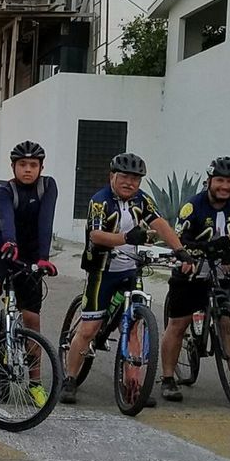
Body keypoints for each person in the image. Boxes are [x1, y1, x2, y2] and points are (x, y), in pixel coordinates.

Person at [61, 152, 185, 405]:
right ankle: (70, 379)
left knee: (133, 328)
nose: (130, 183)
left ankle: (134, 387)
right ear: (112, 177)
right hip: (102, 271)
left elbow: (159, 223)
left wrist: (180, 250)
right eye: (124, 177)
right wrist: (126, 238)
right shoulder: (100, 201)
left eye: (135, 179)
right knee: (89, 329)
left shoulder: (142, 199)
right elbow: (96, 235)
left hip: (130, 269)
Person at [157, 156, 230, 405]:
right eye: (220, 181)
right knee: (178, 324)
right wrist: (201, 250)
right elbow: (178, 239)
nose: (225, 186)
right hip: (192, 271)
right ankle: (168, 378)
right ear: (209, 181)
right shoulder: (193, 206)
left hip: (222, 272)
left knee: (227, 325)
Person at [0, 141, 60, 407]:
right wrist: (10, 241)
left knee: (32, 319)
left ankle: (35, 383)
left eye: (33, 165)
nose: (28, 169)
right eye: (22, 164)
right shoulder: (5, 190)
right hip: (4, 250)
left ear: (41, 168)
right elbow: (7, 219)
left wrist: (44, 258)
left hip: (32, 256)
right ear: (13, 167)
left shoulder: (48, 187)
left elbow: (46, 222)